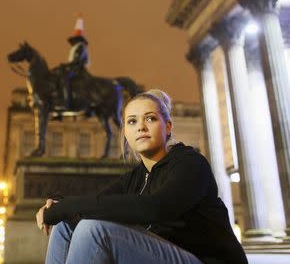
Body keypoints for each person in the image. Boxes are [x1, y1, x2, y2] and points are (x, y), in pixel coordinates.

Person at [36, 89, 248, 264]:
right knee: (65, 226)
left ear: (167, 127)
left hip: (206, 260)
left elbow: (155, 207)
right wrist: (56, 204)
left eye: (150, 118)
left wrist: (66, 207)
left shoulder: (189, 163)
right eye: (132, 121)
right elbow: (98, 202)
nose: (141, 127)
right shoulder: (136, 177)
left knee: (93, 229)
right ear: (126, 134)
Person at [56, 16, 90, 110]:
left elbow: (76, 61)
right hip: (74, 68)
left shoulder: (80, 47)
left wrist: (65, 66)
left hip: (78, 69)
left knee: (64, 79)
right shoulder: (76, 48)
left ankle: (65, 102)